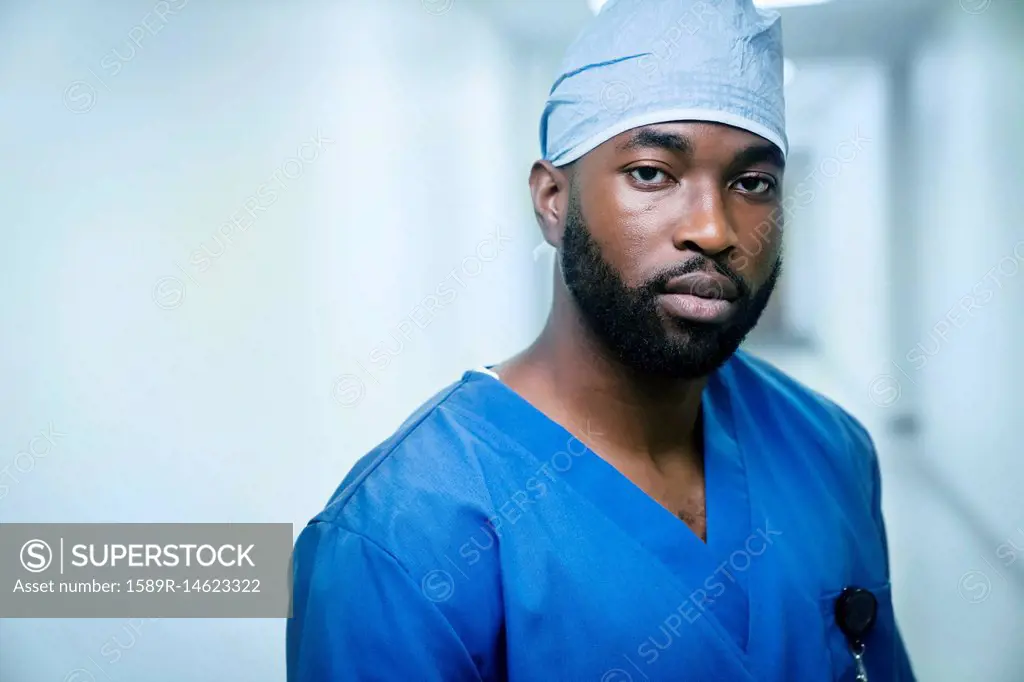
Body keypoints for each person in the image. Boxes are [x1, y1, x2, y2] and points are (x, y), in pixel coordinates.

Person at [287, 0, 916, 679]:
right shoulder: (397, 541)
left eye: (752, 182)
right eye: (652, 173)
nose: (713, 228)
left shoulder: (830, 450)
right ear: (553, 200)